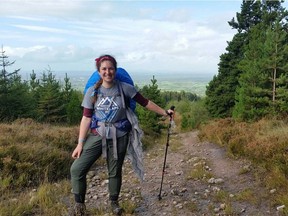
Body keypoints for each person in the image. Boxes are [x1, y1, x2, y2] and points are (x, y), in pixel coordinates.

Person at [69, 54, 174, 216]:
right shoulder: (92, 91)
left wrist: (164, 113)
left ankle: (113, 202)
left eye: (111, 68)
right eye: (104, 69)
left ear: (115, 70)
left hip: (120, 136)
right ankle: (79, 206)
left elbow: (146, 103)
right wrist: (80, 143)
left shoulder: (125, 88)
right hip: (97, 135)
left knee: (115, 171)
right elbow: (86, 118)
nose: (108, 72)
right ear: (99, 71)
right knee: (77, 169)